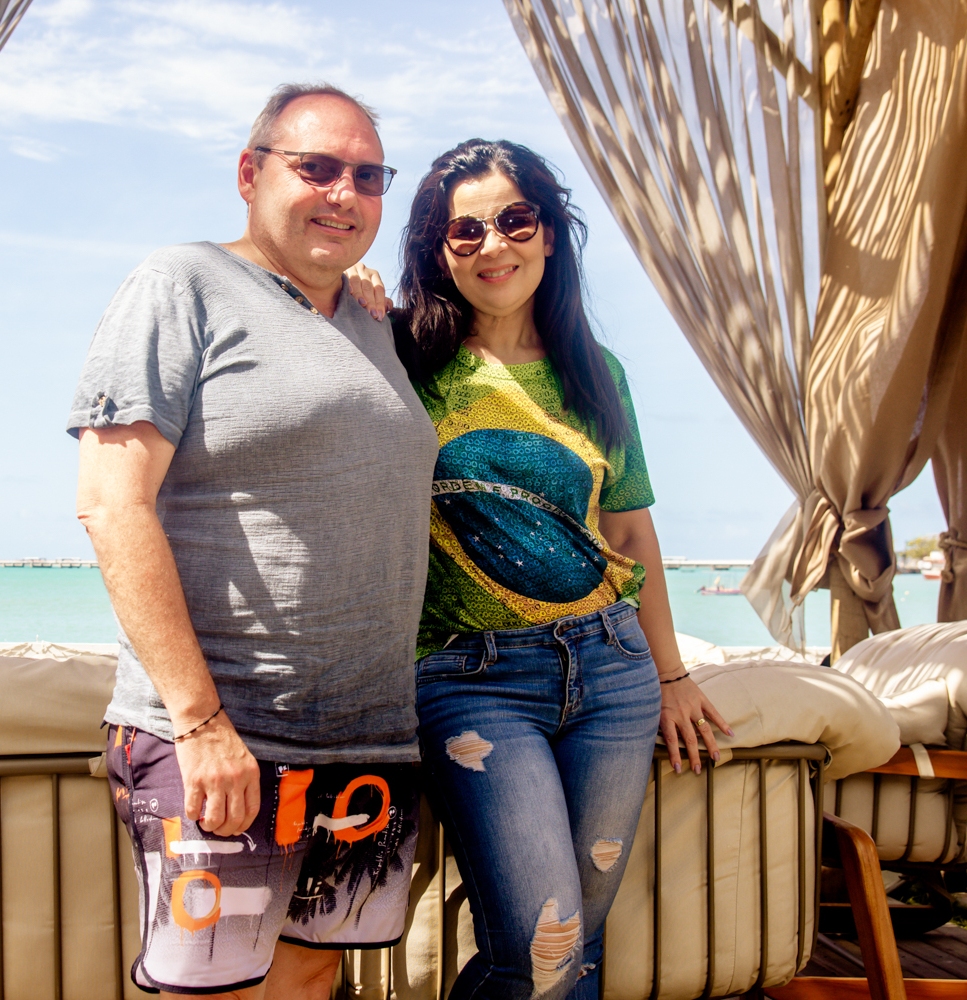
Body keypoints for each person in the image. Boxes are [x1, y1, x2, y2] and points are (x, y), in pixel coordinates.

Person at [66, 83, 438, 999]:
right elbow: (112, 504)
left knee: (311, 981)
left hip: (368, 742)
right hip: (225, 738)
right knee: (212, 992)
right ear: (249, 173)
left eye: (368, 176)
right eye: (316, 167)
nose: (344, 193)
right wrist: (199, 723)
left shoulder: (372, 322)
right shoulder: (180, 283)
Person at [349, 139, 732, 999]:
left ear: (550, 234)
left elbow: (627, 528)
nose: (494, 244)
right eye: (466, 230)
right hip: (470, 681)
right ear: (439, 251)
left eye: (515, 220)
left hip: (613, 673)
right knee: (540, 946)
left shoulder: (597, 372)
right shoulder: (403, 357)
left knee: (576, 948)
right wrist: (349, 301)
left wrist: (672, 674)